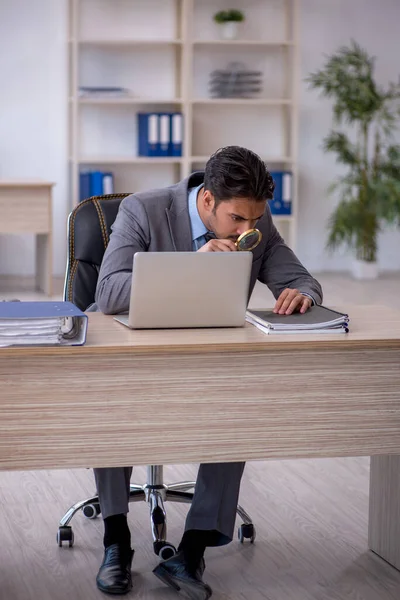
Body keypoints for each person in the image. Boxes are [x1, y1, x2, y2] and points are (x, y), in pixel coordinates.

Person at [93, 146, 323, 598]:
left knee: (236, 408)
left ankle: (192, 551)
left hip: (208, 353)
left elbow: (300, 277)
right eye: (238, 220)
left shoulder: (255, 223)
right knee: (112, 402)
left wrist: (302, 294)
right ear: (207, 201)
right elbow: (108, 291)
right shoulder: (144, 209)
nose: (248, 231)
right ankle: (116, 539)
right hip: (134, 350)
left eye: (256, 220)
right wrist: (190, 266)